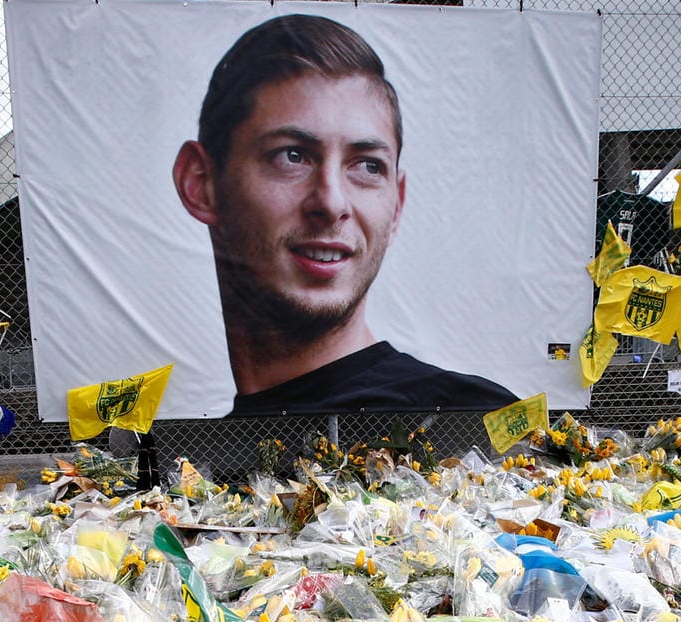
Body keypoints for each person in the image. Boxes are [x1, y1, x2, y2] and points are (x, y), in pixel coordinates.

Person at [172, 14, 518, 417]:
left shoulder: (473, 425)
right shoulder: (198, 458)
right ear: (200, 183)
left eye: (368, 166)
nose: (332, 203)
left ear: (397, 205)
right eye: (292, 156)